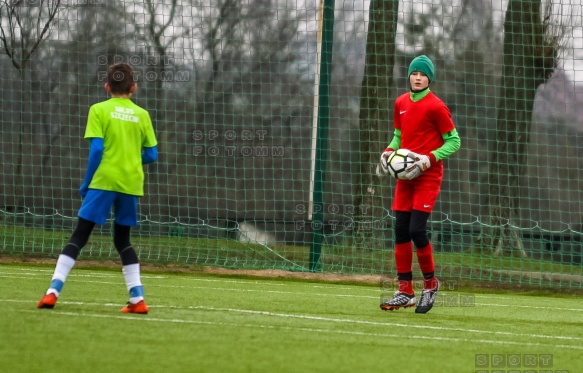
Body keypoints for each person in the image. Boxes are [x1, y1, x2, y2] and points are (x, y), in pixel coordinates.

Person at [38, 63, 158, 314]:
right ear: (133, 88)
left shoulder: (98, 110)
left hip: (103, 180)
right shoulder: (143, 115)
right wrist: (131, 158)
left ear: (107, 87)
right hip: (131, 183)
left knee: (80, 236)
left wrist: (87, 182)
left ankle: (52, 292)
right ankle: (138, 299)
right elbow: (152, 154)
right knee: (122, 239)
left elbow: (96, 150)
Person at [379, 55, 461, 314]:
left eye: (423, 74)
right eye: (414, 73)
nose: (417, 77)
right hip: (405, 178)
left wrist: (429, 159)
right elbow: (398, 135)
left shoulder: (436, 106)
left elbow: (454, 141)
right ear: (409, 76)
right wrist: (388, 152)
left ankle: (430, 284)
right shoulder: (401, 102)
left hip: (427, 176)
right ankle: (405, 291)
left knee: (417, 230)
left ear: (429, 78)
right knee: (401, 231)